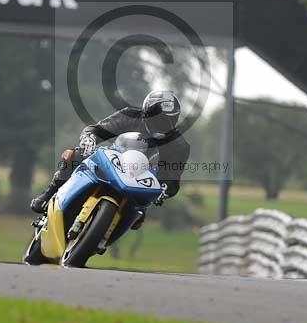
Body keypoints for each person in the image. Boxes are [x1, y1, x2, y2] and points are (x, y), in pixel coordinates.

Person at [31, 90, 190, 226]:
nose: (163, 124)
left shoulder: (179, 145)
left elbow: (173, 178)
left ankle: (108, 233)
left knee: (139, 216)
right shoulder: (129, 115)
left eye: (170, 120)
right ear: (146, 113)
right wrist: (90, 138)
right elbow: (98, 130)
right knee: (75, 154)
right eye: (160, 119)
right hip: (113, 159)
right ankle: (50, 193)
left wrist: (164, 190)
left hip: (140, 179)